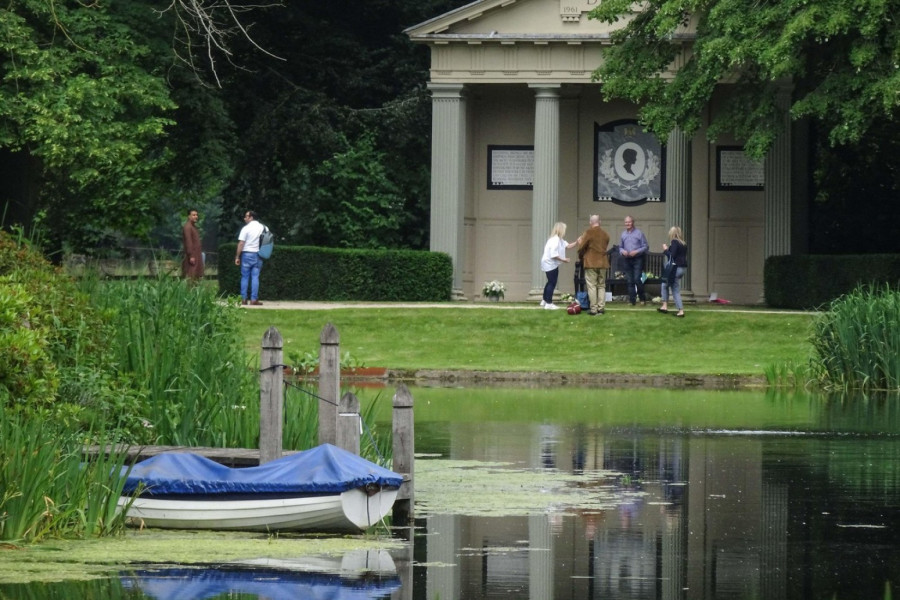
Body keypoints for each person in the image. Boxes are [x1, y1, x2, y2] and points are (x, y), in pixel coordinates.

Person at [575, 214, 610, 315]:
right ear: (600, 222)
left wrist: (581, 255)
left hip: (591, 262)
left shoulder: (588, 233)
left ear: (591, 222)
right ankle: (601, 308)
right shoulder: (605, 234)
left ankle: (593, 309)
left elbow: (581, 248)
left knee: (592, 286)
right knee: (601, 286)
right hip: (603, 262)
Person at [540, 222, 577, 310]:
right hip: (549, 263)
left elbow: (568, 246)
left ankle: (544, 300)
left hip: (550, 263)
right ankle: (548, 303)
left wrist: (577, 242)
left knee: (550, 282)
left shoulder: (560, 240)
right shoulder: (555, 240)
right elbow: (554, 255)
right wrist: (564, 260)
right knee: (552, 283)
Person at [234, 210, 266, 305]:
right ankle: (253, 299)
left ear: (251, 217)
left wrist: (237, 256)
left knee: (244, 277)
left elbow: (241, 243)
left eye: (246, 216)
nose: (245, 218)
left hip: (246, 254)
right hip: (257, 254)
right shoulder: (263, 227)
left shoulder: (245, 229)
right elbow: (268, 240)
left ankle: (243, 299)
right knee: (255, 277)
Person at [618, 215, 649, 306]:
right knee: (629, 280)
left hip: (637, 259)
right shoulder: (623, 234)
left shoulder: (639, 233)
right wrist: (622, 251)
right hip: (627, 259)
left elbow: (645, 246)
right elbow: (620, 247)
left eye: (629, 222)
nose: (627, 224)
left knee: (637, 279)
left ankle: (642, 298)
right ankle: (632, 300)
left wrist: (636, 251)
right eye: (626, 222)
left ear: (633, 222)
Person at [658, 226, 688, 317]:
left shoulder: (674, 242)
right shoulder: (683, 243)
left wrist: (665, 249)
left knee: (672, 288)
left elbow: (672, 256)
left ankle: (680, 310)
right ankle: (665, 306)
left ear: (672, 234)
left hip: (675, 268)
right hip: (682, 268)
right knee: (666, 285)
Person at [181, 208, 204, 281]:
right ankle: (190, 291)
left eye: (196, 215)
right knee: (191, 274)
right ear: (189, 216)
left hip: (196, 255)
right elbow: (188, 241)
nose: (196, 216)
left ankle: (195, 291)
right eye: (193, 215)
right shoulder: (187, 227)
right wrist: (191, 255)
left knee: (197, 275)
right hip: (192, 256)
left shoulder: (193, 227)